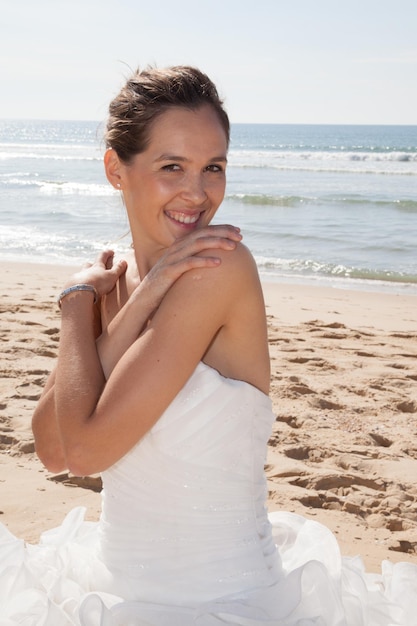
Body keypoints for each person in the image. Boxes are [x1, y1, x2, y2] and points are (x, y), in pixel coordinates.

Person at [0, 66, 415, 626]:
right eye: (172, 166)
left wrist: (74, 305)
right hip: (108, 590)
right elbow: (53, 448)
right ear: (115, 170)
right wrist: (118, 302)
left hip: (223, 605)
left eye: (213, 167)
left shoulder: (217, 268)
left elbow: (84, 452)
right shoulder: (114, 280)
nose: (197, 193)